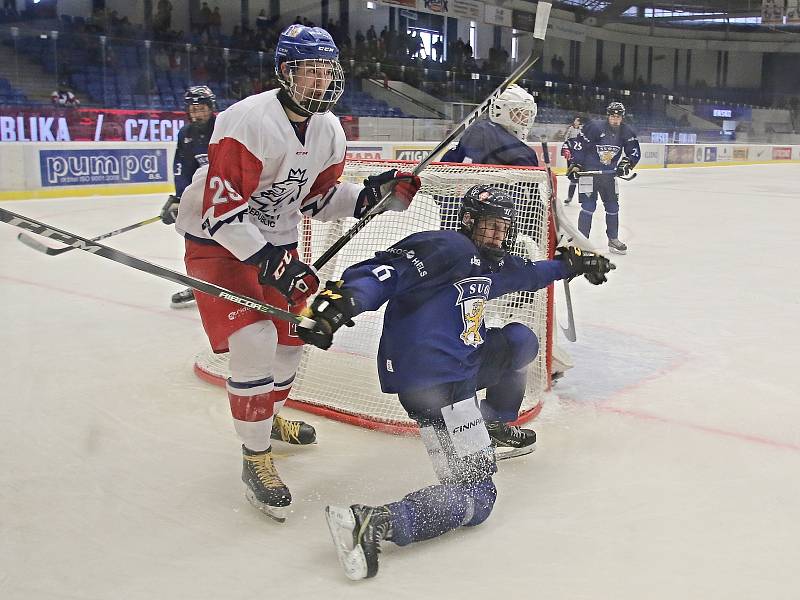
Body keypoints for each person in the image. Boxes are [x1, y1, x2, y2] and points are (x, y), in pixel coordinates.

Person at [296, 185, 614, 580]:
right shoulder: (446, 247)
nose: (498, 235)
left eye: (503, 227)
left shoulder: (487, 263)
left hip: (462, 371)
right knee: (476, 499)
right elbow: (385, 273)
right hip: (433, 389)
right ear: (467, 221)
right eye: (490, 226)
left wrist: (571, 264)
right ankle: (372, 522)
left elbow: (530, 274)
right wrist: (345, 299)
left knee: (520, 341)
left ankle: (493, 423)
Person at [174, 25, 421, 522]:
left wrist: (371, 198)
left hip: (277, 242)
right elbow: (223, 213)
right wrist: (274, 263)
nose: (322, 80)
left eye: (328, 69)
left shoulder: (329, 130)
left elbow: (318, 200)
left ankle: (269, 416)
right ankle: (255, 456)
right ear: (286, 72)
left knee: (294, 339)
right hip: (218, 243)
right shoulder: (246, 122)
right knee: (255, 340)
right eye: (311, 70)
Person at [160, 85, 217, 308]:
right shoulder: (186, 134)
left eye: (201, 108)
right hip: (202, 198)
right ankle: (200, 284)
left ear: (211, 108)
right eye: (193, 109)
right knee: (195, 240)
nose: (196, 114)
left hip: (232, 197)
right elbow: (182, 168)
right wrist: (178, 198)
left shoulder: (224, 128)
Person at [566, 102, 640, 254]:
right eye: (612, 116)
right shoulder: (594, 127)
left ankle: (613, 240)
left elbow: (633, 151)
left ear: (622, 117)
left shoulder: (626, 131)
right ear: (608, 116)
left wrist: (626, 163)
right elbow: (579, 146)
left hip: (608, 176)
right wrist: (576, 164)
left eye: (618, 116)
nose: (615, 119)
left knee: (613, 207)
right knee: (588, 207)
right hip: (588, 174)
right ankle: (582, 242)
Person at [441, 84, 538, 166]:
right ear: (500, 111)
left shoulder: (479, 129)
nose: (525, 120)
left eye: (527, 114)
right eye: (518, 113)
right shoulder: (483, 132)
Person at [561, 116, 582, 204]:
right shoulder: (570, 130)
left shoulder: (582, 131)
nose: (577, 122)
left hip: (582, 158)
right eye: (575, 120)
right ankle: (570, 197)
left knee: (584, 179)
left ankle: (585, 199)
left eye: (578, 121)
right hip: (574, 158)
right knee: (573, 178)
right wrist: (566, 149)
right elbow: (565, 142)